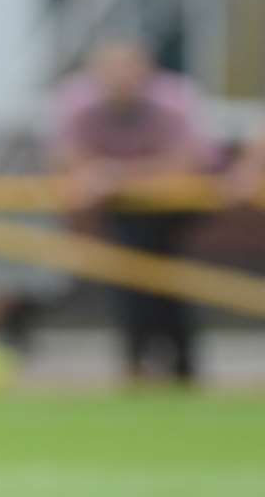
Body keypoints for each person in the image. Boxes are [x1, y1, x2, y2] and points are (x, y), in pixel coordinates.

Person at [49, 40, 215, 382]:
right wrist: (97, 180)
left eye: (128, 70)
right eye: (110, 71)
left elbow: (190, 163)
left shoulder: (173, 101)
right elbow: (67, 159)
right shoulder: (78, 103)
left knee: (153, 269)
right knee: (134, 272)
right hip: (122, 210)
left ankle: (167, 363)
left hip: (175, 206)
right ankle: (151, 364)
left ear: (147, 72)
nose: (120, 79)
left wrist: (117, 176)